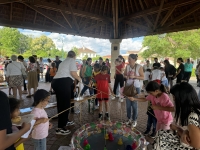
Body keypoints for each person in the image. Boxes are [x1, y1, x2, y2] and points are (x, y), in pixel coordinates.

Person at [153, 82, 200, 149]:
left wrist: (179, 130)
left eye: (174, 98)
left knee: (160, 141)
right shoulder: (196, 109)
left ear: (182, 99)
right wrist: (184, 131)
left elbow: (196, 145)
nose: (173, 101)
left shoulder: (192, 117)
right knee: (161, 134)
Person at [51, 51, 81, 135]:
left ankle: (65, 121)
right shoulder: (71, 60)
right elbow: (73, 73)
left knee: (61, 104)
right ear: (74, 56)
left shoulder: (63, 61)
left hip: (56, 82)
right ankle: (60, 128)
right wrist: (80, 80)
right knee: (65, 105)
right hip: (63, 83)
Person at [124, 54, 144, 128]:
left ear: (134, 59)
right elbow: (124, 75)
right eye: (128, 59)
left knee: (134, 105)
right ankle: (129, 118)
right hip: (128, 87)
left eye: (129, 59)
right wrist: (127, 76)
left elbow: (142, 77)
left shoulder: (139, 67)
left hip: (136, 87)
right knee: (128, 105)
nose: (128, 60)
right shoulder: (128, 66)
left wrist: (135, 76)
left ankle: (134, 120)